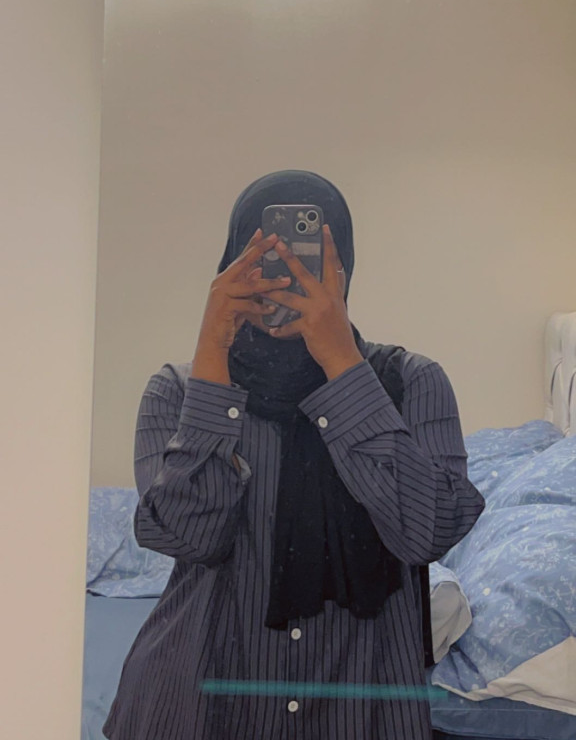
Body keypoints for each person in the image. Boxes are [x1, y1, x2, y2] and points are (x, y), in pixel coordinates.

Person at [102, 170, 485, 740]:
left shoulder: (411, 383)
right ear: (232, 264)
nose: (285, 276)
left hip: (360, 709)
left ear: (343, 270)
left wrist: (342, 365)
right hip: (197, 706)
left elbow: (426, 533)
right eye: (265, 259)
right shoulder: (181, 390)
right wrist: (213, 350)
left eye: (307, 259)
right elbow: (188, 538)